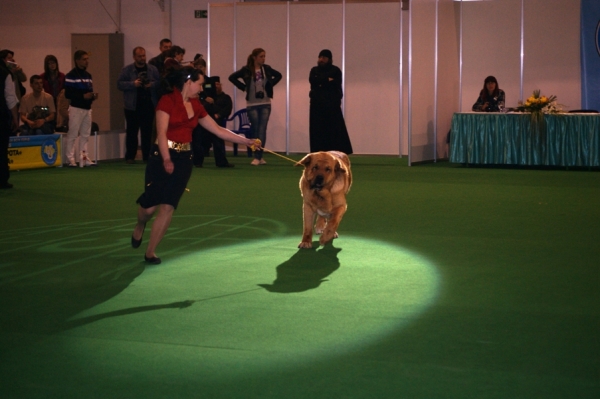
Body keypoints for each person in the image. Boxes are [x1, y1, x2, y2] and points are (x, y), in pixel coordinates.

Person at [130, 66, 260, 264]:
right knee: (149, 208)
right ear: (188, 82)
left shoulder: (197, 104)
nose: (202, 88)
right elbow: (162, 133)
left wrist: (246, 140)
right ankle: (140, 225)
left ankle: (151, 251)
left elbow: (218, 129)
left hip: (184, 159)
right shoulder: (167, 101)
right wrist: (166, 159)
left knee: (168, 206)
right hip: (161, 155)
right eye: (199, 84)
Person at [229, 48, 282, 165]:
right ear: (254, 57)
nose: (263, 58)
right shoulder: (246, 70)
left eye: (264, 56)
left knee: (262, 129)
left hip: (265, 103)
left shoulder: (266, 69)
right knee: (255, 129)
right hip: (252, 104)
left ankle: (258, 156)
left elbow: (279, 75)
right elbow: (232, 77)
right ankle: (257, 155)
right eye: (261, 56)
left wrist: (269, 85)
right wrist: (243, 87)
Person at [117, 46, 160, 164]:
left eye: (144, 56)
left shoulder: (153, 69)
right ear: (134, 57)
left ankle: (147, 156)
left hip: (148, 105)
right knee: (132, 132)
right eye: (140, 56)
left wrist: (151, 85)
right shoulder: (127, 70)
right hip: (132, 106)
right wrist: (133, 84)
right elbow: (119, 84)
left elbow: (160, 83)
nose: (142, 58)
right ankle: (130, 156)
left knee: (147, 133)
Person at [308, 49, 353, 154]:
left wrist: (321, 82)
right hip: (316, 105)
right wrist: (326, 80)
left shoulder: (335, 70)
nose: (321, 60)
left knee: (333, 130)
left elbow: (335, 83)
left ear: (329, 59)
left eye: (324, 58)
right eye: (320, 57)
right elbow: (313, 81)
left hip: (332, 105)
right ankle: (318, 153)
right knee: (317, 131)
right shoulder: (314, 70)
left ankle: (334, 153)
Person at [192, 56, 233, 168]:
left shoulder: (211, 81)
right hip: (198, 112)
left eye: (201, 67)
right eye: (197, 67)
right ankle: (197, 162)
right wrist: (203, 99)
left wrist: (213, 95)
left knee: (218, 137)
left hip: (210, 112)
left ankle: (221, 162)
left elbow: (215, 97)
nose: (199, 68)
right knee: (198, 139)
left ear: (205, 68)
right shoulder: (191, 82)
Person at [64, 50, 97, 167]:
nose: (87, 61)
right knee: (72, 134)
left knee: (85, 135)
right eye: (84, 59)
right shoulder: (70, 76)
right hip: (76, 108)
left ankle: (84, 158)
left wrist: (92, 96)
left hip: (87, 108)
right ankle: (70, 159)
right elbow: (68, 94)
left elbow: (88, 91)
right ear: (77, 60)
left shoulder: (88, 76)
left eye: (87, 59)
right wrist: (83, 96)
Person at [1, 60, 18, 188]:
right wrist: (15, 118)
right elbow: (10, 98)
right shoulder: (5, 73)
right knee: (2, 149)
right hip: (1, 117)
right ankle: (2, 179)